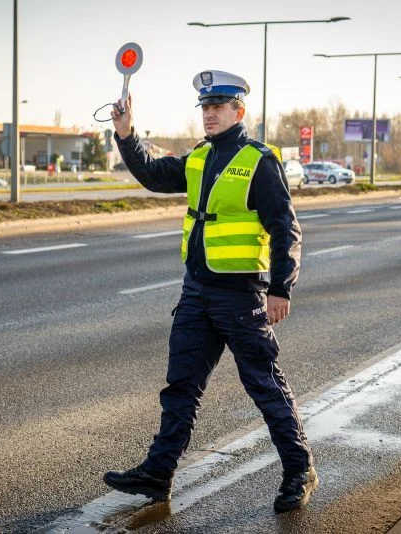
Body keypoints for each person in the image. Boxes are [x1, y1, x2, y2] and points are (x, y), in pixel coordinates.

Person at [103, 70, 316, 512]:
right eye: (205, 107)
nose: (209, 114)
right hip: (197, 292)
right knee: (181, 386)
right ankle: (159, 474)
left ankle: (299, 470)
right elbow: (154, 174)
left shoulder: (259, 160)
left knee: (263, 384)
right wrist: (126, 134)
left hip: (241, 296)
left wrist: (281, 288)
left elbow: (285, 229)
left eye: (218, 107)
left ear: (238, 111)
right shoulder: (200, 157)